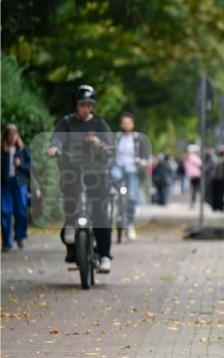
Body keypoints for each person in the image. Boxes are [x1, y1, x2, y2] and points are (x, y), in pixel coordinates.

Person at [47, 84, 115, 273]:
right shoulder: (66, 123)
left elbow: (110, 145)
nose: (86, 109)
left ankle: (104, 256)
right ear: (75, 105)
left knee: (101, 214)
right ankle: (71, 225)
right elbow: (57, 138)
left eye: (89, 105)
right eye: (82, 105)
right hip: (73, 170)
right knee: (71, 197)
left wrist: (100, 143)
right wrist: (54, 147)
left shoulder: (100, 124)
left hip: (96, 172)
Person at [113, 112, 150, 240]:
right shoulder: (116, 137)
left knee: (132, 198)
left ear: (133, 124)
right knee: (111, 175)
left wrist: (144, 161)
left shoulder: (138, 138)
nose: (126, 125)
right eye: (124, 123)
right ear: (121, 124)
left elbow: (145, 154)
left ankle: (129, 224)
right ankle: (112, 196)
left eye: (128, 123)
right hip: (118, 168)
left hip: (133, 170)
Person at [1, 124, 31, 251]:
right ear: (6, 136)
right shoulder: (2, 150)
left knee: (21, 211)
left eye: (15, 134)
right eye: (10, 134)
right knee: (5, 212)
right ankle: (7, 243)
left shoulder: (23, 150)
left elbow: (30, 167)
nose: (13, 137)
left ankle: (20, 237)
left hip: (20, 183)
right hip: (5, 184)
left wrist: (20, 165)